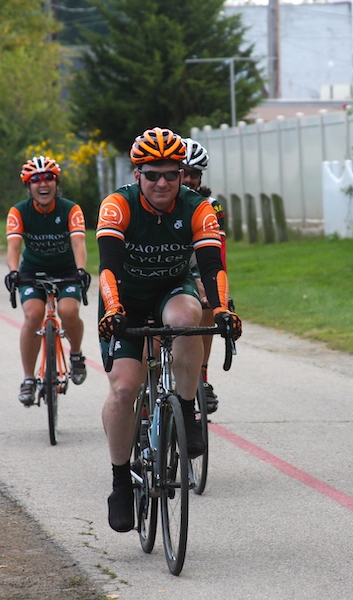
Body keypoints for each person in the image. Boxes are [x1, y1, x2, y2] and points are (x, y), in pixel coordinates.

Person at [96, 127, 242, 532]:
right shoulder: (117, 205)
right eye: (153, 173)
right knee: (124, 388)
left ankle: (187, 408)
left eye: (172, 174)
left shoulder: (198, 208)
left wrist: (223, 309)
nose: (163, 182)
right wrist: (113, 309)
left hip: (170, 291)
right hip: (124, 299)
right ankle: (121, 481)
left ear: (183, 175)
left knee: (186, 320)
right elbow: (107, 266)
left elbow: (212, 268)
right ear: (137, 174)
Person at [4, 156, 90, 407]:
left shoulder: (70, 209)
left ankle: (75, 355)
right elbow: (13, 247)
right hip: (33, 270)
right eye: (36, 180)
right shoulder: (19, 211)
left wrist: (82, 269)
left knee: (68, 310)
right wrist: (12, 271)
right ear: (28, 186)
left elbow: (78, 243)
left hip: (66, 270)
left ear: (56, 183)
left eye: (49, 178)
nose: (43, 184)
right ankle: (29, 378)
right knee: (33, 315)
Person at [181, 138, 228, 413]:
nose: (188, 180)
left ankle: (202, 375)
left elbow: (219, 255)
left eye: (194, 175)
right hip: (168, 269)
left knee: (209, 303)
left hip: (199, 266)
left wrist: (219, 292)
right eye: (184, 172)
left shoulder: (212, 205)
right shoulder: (160, 199)